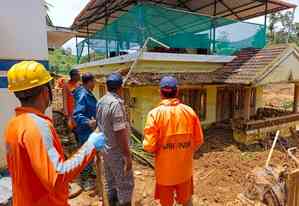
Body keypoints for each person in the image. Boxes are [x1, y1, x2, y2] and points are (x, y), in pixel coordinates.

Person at [5, 61, 106, 206]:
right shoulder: (38, 126)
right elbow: (58, 175)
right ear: (46, 91)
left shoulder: (13, 125)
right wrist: (90, 145)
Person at [143, 76, 204, 206]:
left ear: (160, 92)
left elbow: (148, 146)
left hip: (165, 174)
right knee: (187, 201)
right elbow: (198, 141)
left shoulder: (154, 114)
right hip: (184, 171)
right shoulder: (189, 112)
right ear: (177, 92)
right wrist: (184, 152)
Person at [96, 73, 134, 206]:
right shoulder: (116, 104)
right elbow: (120, 132)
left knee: (110, 182)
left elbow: (99, 125)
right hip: (117, 152)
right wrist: (127, 156)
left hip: (105, 150)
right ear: (120, 88)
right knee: (125, 185)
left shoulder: (101, 102)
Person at [73, 72, 98, 190]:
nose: (95, 84)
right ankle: (85, 181)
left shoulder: (85, 92)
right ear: (89, 82)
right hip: (85, 131)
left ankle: (88, 173)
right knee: (86, 155)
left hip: (87, 131)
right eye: (94, 81)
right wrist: (88, 122)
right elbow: (77, 114)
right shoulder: (83, 94)